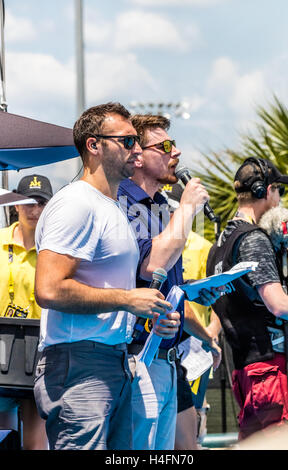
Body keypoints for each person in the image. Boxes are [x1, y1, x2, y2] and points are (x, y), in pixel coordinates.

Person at [33, 102, 179, 451]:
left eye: (137, 142)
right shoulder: (76, 204)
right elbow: (49, 289)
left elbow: (109, 289)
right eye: (127, 141)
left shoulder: (109, 206)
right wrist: (129, 300)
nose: (138, 150)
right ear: (94, 146)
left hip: (111, 360)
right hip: (79, 364)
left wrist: (149, 315)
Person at [118, 113, 222, 450]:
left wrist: (201, 293)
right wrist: (188, 206)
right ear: (137, 156)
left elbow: (168, 286)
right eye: (164, 146)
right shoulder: (124, 202)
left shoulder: (163, 205)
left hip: (167, 356)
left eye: (174, 144)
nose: (175, 152)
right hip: (136, 356)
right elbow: (152, 265)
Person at [206, 156, 288, 440]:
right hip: (271, 369)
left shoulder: (221, 242)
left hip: (247, 370)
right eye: (278, 191)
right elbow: (277, 303)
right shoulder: (254, 238)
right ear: (266, 191)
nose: (279, 199)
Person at [162, 182, 222, 449]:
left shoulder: (203, 246)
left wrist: (211, 336)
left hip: (196, 348)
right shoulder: (157, 244)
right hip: (166, 344)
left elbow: (221, 301)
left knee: (194, 424)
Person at [0, 174, 53, 450]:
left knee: (35, 444)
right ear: (16, 205)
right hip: (2, 348)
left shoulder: (55, 249)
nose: (34, 210)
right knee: (4, 437)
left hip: (39, 351)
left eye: (42, 203)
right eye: (28, 202)